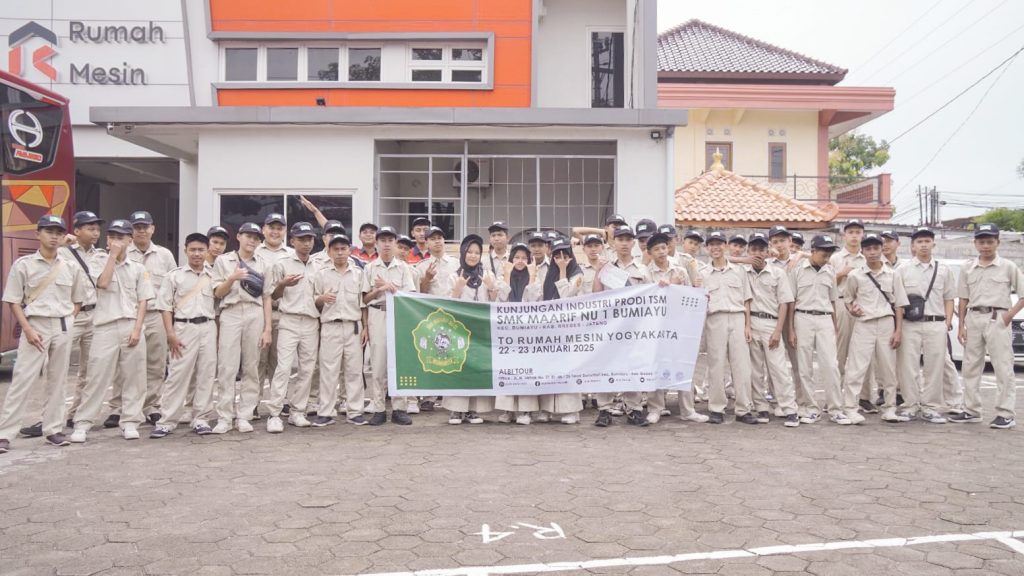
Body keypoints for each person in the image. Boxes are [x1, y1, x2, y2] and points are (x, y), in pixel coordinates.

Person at [0, 215, 86, 454]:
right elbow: (14, 301)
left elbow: (78, 300)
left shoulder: (70, 267)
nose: (54, 236)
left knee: (58, 381)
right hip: (35, 326)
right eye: (49, 231)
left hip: (62, 326)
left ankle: (53, 430)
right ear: (38, 234)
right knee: (22, 380)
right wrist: (27, 329)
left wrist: (68, 319)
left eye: (59, 232)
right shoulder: (24, 264)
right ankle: (5, 434)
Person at [71, 219, 153, 442]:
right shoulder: (98, 261)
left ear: (130, 240)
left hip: (130, 324)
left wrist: (137, 329)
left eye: (121, 237)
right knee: (96, 377)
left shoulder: (138, 267)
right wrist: (111, 257)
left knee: (134, 378)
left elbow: (143, 300)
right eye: (113, 237)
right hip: (105, 326)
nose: (116, 241)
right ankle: (83, 423)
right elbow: (103, 283)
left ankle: (130, 421)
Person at [951, 223, 1024, 429]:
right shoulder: (968, 268)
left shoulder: (1008, 266)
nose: (985, 246)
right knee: (970, 366)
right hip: (974, 318)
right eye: (981, 242)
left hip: (997, 318)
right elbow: (963, 298)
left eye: (990, 242)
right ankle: (971, 410)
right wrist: (962, 326)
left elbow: (1023, 295)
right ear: (975, 244)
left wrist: (1008, 316)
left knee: (1003, 366)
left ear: (997, 243)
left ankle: (1005, 413)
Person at [111, 210, 175, 428]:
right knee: (124, 365)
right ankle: (118, 408)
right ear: (131, 231)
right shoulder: (120, 252)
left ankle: (151, 406)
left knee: (155, 364)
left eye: (144, 227)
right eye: (137, 227)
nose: (141, 231)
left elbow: (172, 288)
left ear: (152, 229)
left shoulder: (164, 255)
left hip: (155, 315)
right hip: (128, 316)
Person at [150, 233, 218, 438]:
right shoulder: (174, 276)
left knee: (205, 374)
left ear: (207, 251)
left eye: (201, 250)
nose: (197, 254)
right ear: (185, 250)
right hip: (182, 329)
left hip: (208, 327)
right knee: (178, 375)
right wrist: (170, 333)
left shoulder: (214, 275)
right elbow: (164, 307)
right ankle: (167, 420)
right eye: (193, 250)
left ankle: (201, 418)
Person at [211, 222, 274, 434]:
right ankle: (224, 417)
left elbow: (267, 298)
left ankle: (245, 415)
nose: (252, 241)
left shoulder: (264, 263)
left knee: (251, 366)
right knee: (227, 367)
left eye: (256, 238)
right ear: (238, 237)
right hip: (231, 312)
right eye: (248, 236)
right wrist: (232, 278)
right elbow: (218, 293)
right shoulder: (223, 260)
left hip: (254, 314)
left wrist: (267, 329)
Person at [841, 233, 907, 425]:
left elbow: (899, 304)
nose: (872, 252)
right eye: (868, 249)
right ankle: (851, 408)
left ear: (881, 250)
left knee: (888, 368)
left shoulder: (893, 275)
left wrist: (898, 330)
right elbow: (848, 299)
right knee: (856, 367)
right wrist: (853, 309)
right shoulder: (855, 275)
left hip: (886, 323)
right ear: (862, 251)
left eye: (876, 248)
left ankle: (890, 408)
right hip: (864, 324)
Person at [642, 232, 707, 425]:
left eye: (664, 248)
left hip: (679, 326)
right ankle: (655, 408)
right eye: (656, 249)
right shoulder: (646, 273)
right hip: (656, 327)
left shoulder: (680, 271)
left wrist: (696, 292)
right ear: (650, 253)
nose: (662, 252)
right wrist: (668, 286)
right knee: (657, 365)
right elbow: (647, 298)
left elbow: (688, 296)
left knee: (683, 365)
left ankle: (688, 410)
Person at [895, 227, 957, 423]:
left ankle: (931, 407)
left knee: (935, 367)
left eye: (927, 241)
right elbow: (897, 300)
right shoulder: (903, 270)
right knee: (908, 366)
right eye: (919, 241)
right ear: (912, 246)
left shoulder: (943, 270)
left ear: (933, 244)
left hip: (935, 324)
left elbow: (949, 298)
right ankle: (910, 405)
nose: (923, 245)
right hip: (910, 325)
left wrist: (947, 322)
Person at [265, 222, 321, 433]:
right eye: (302, 239)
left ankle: (298, 411)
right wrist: (283, 285)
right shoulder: (281, 264)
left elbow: (319, 297)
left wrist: (323, 299)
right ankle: (275, 413)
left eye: (309, 239)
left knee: (307, 369)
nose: (306, 243)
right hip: (288, 319)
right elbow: (271, 296)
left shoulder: (318, 266)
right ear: (293, 241)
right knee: (284, 367)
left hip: (311, 321)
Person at [592, 225, 649, 427]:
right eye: (620, 239)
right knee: (606, 365)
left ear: (633, 242)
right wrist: (599, 271)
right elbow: (596, 294)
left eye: (628, 239)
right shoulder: (607, 267)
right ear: (614, 243)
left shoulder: (643, 269)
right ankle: (604, 409)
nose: (624, 243)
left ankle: (634, 408)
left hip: (633, 326)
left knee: (631, 366)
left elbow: (651, 298)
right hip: (610, 325)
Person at [362, 225, 417, 425]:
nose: (386, 244)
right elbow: (365, 299)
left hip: (398, 316)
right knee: (378, 364)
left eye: (390, 240)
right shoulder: (369, 268)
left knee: (398, 362)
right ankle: (378, 408)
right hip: (377, 314)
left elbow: (410, 296)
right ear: (376, 243)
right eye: (382, 240)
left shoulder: (403, 268)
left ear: (395, 244)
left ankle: (399, 407)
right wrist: (380, 290)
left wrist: (392, 289)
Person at [312, 234, 368, 427]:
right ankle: (326, 411)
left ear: (349, 251)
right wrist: (321, 298)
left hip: (353, 326)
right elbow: (313, 300)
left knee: (353, 371)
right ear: (329, 252)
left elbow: (363, 304)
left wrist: (365, 328)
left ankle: (355, 411)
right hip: (330, 326)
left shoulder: (358, 274)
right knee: (329, 371)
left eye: (343, 248)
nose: (340, 252)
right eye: (335, 249)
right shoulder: (321, 273)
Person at [443, 234, 499, 424]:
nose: (473, 256)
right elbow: (446, 305)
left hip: (480, 329)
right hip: (459, 328)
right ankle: (456, 410)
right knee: (459, 368)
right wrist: (457, 289)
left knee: (477, 368)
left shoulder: (487, 275)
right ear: (463, 252)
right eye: (470, 251)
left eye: (477, 252)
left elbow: (496, 303)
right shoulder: (454, 275)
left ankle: (474, 410)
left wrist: (492, 288)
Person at [700, 231, 754, 424]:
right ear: (707, 248)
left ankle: (743, 409)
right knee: (716, 365)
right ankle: (716, 408)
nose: (715, 247)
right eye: (711, 244)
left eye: (719, 243)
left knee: (742, 366)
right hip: (715, 319)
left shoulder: (739, 271)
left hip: (738, 318)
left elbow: (747, 299)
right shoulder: (703, 274)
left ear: (725, 245)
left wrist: (748, 325)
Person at [745, 232, 799, 427]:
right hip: (752, 324)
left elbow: (784, 303)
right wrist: (747, 326)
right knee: (755, 371)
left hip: (771, 323)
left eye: (761, 249)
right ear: (748, 251)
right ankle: (761, 408)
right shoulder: (744, 272)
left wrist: (778, 331)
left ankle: (789, 408)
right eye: (754, 249)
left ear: (768, 251)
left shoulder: (777, 273)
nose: (758, 253)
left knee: (779, 369)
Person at [58, 211, 105, 430]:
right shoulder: (62, 253)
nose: (95, 233)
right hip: (71, 315)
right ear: (77, 231)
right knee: (57, 367)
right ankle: (50, 418)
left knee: (89, 369)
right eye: (90, 228)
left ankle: (76, 413)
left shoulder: (101, 256)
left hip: (95, 316)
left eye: (97, 229)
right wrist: (60, 242)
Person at [788, 234, 842, 425]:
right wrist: (791, 330)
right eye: (823, 252)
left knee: (830, 365)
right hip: (802, 317)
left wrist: (835, 326)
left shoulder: (830, 271)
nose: (826, 256)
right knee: (804, 367)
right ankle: (809, 408)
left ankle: (836, 408)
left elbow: (833, 300)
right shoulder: (797, 271)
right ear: (813, 251)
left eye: (829, 252)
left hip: (825, 318)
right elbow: (791, 301)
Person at [535, 237, 584, 425]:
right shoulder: (548, 274)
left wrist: (563, 270)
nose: (561, 258)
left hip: (569, 329)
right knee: (549, 368)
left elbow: (566, 297)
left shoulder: (577, 274)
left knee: (567, 369)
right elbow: (541, 297)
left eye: (565, 254)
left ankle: (570, 410)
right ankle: (547, 408)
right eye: (557, 255)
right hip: (549, 328)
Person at [495, 243, 543, 424]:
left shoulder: (535, 280)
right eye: (516, 258)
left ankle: (526, 411)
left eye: (524, 258)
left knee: (526, 371)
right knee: (508, 370)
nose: (520, 261)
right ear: (510, 260)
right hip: (507, 332)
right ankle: (508, 410)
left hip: (527, 333)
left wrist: (531, 276)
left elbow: (533, 300)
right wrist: (507, 275)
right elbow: (500, 299)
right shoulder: (503, 277)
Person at [830, 220, 873, 415]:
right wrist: (841, 274)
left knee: (864, 354)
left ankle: (864, 397)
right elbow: (826, 283)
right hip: (841, 304)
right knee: (840, 352)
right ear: (844, 235)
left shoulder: (867, 259)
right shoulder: (836, 258)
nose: (854, 236)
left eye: (858, 232)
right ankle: (835, 397)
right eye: (851, 232)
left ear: (862, 235)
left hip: (863, 306)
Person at [255, 213, 294, 417]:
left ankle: (281, 400)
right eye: (272, 227)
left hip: (282, 311)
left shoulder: (291, 253)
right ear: (264, 229)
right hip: (257, 313)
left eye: (279, 228)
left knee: (280, 360)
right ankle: (253, 401)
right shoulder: (254, 251)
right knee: (257, 360)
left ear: (285, 231)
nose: (275, 231)